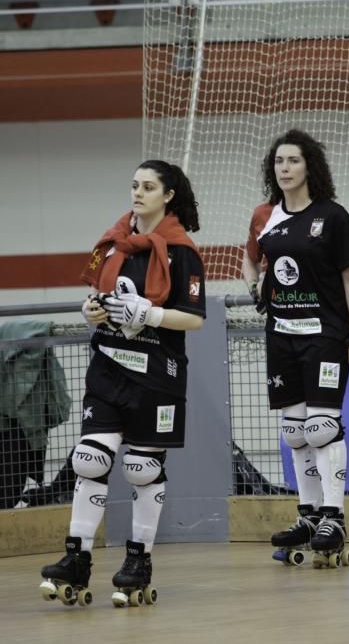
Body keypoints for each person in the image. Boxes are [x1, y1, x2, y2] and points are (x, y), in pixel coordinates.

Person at [39, 160, 205, 606]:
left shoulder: (180, 249)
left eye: (148, 187)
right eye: (134, 185)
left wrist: (149, 314)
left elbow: (193, 317)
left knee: (141, 469)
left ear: (168, 195)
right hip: (109, 366)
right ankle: (77, 558)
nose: (138, 193)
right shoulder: (113, 243)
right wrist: (90, 309)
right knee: (90, 460)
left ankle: (139, 559)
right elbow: (95, 290)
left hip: (156, 374)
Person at [242, 129, 349, 566]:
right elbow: (253, 261)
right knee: (295, 432)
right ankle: (309, 515)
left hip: (325, 334)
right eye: (278, 162)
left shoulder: (332, 216)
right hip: (282, 334)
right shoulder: (266, 216)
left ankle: (335, 515)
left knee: (321, 428)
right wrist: (255, 282)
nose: (285, 168)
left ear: (309, 166)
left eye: (293, 161)